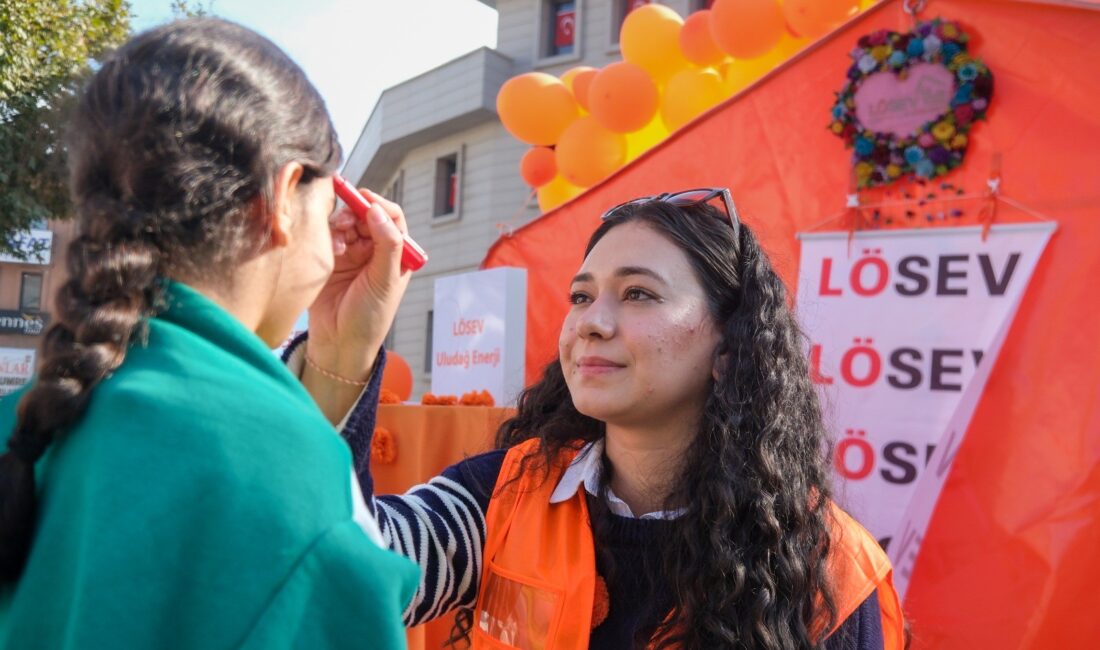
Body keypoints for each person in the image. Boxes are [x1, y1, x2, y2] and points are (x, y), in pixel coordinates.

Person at [321, 189, 906, 649]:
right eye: (581, 296)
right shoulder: (502, 497)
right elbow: (340, 578)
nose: (591, 323)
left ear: (729, 349)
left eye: (639, 294)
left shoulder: (830, 571)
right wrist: (342, 350)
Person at [0, 18, 418, 649]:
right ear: (280, 198)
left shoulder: (25, 425)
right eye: (330, 205)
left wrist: (338, 356)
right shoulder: (293, 490)